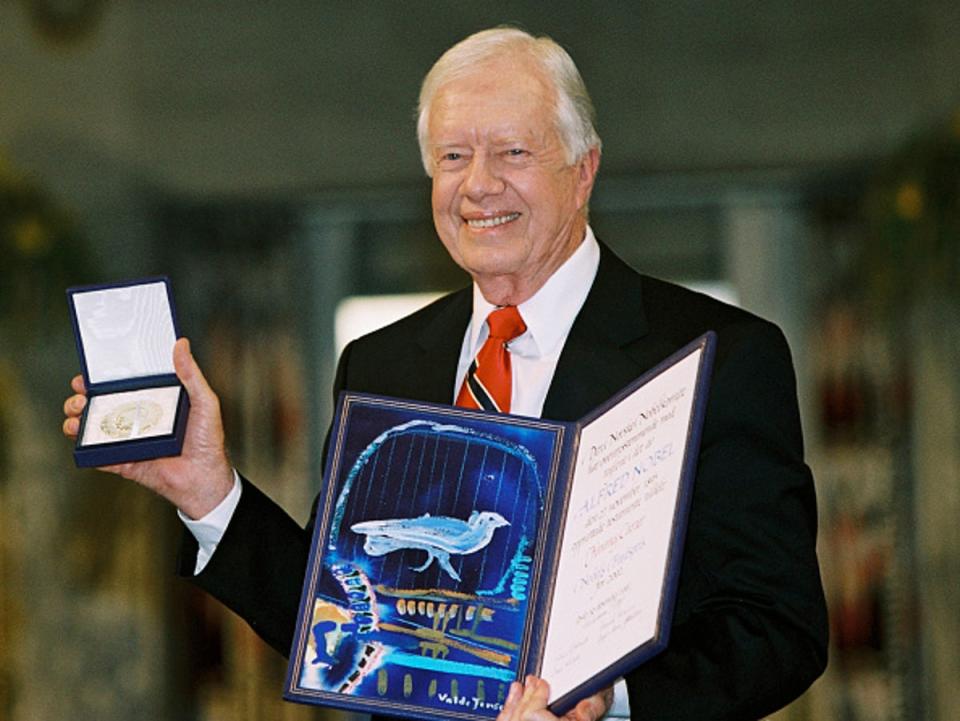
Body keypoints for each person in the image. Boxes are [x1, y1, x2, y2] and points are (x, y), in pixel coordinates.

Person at [63, 27, 827, 721]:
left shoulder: (716, 353)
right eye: (453, 157)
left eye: (514, 153)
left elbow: (777, 627)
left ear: (584, 169)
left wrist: (612, 702)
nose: (479, 185)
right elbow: (346, 606)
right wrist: (208, 489)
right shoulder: (384, 361)